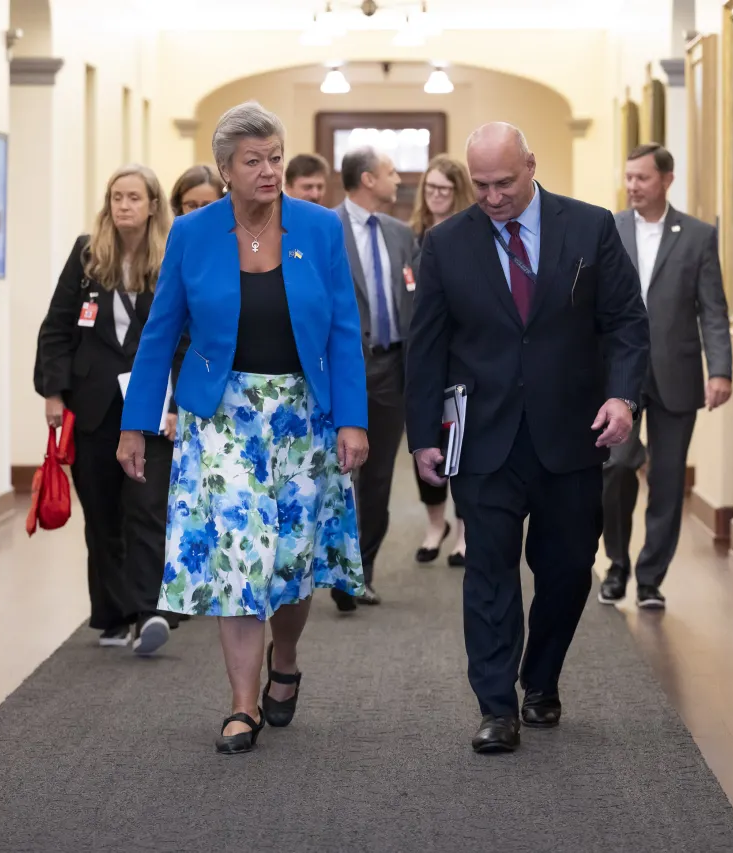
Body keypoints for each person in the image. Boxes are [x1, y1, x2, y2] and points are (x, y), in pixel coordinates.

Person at [115, 102, 369, 755]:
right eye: (253, 161)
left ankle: (286, 658)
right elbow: (160, 332)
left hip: (303, 415)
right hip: (222, 418)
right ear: (225, 169)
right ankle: (240, 704)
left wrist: (353, 420)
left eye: (276, 157)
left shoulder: (317, 226)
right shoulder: (193, 234)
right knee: (236, 555)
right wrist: (137, 423)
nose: (268, 171)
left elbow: (343, 327)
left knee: (291, 560)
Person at [405, 123, 650, 753]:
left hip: (572, 433)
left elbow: (625, 321)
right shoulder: (447, 243)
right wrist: (421, 436)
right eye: (480, 184)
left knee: (567, 569)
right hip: (483, 438)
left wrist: (622, 396)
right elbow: (426, 344)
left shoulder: (589, 228)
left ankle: (541, 680)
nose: (491, 197)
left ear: (531, 166)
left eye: (504, 183)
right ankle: (496, 707)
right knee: (488, 569)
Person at [34, 164, 183, 653]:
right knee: (101, 516)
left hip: (152, 408)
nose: (123, 206)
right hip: (94, 407)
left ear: (152, 205)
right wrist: (54, 393)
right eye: (116, 197)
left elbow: (186, 336)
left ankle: (149, 611)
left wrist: (181, 404)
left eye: (134, 197)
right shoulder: (86, 257)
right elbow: (57, 328)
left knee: (144, 509)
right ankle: (113, 615)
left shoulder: (170, 257)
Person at [600, 143, 732, 610]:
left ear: (666, 180)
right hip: (619, 374)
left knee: (669, 478)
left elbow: (712, 310)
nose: (633, 186)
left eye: (642, 178)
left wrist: (720, 370)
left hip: (676, 372)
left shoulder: (697, 236)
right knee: (615, 468)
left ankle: (651, 576)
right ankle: (616, 563)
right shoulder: (609, 228)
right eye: (628, 177)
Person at [327, 146, 419, 612]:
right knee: (338, 473)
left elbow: (416, 299)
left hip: (391, 368)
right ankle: (333, 564)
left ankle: (359, 571)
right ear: (366, 179)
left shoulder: (402, 234)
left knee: (379, 476)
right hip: (341, 369)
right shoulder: (324, 229)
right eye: (389, 171)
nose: (397, 178)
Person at [407, 154, 476, 567]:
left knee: (461, 443)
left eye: (444, 189)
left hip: (460, 355)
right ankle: (436, 524)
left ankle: (465, 531)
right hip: (420, 354)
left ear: (457, 192)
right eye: (430, 188)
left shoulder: (468, 234)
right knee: (424, 439)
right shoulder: (412, 234)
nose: (435, 196)